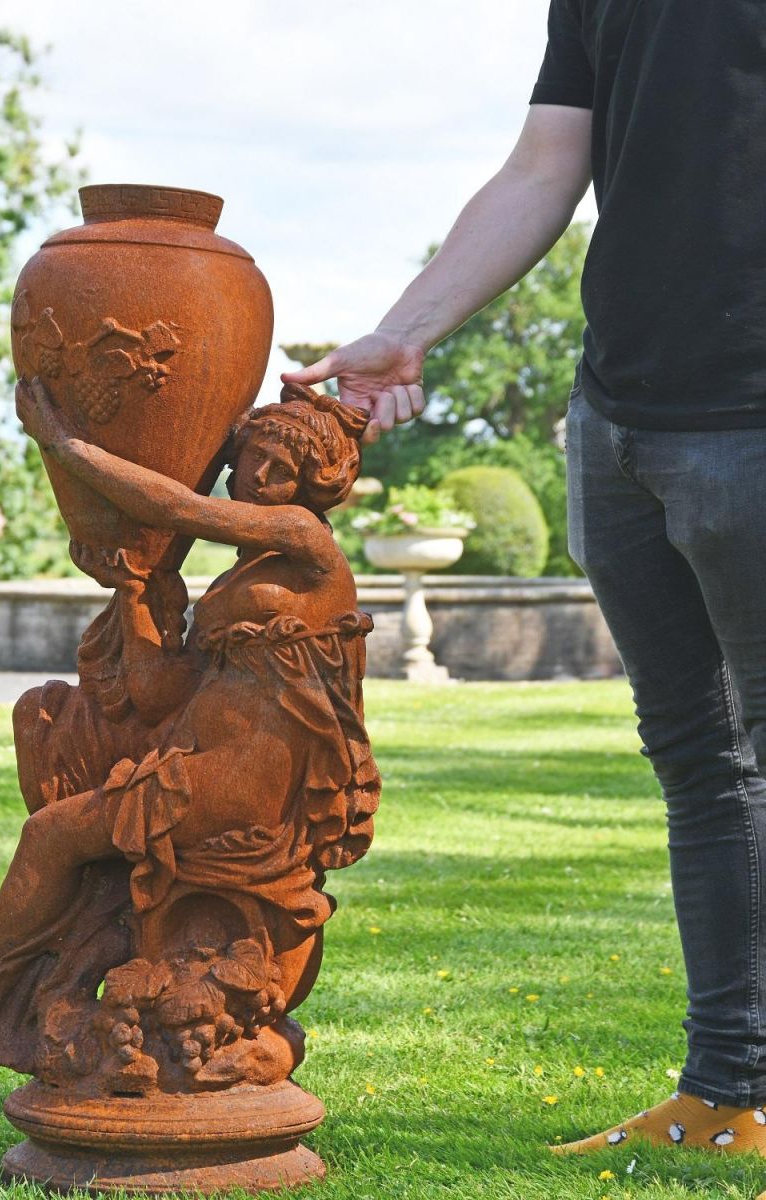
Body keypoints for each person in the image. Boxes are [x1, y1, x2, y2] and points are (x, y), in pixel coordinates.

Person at [282, 0, 766, 1156]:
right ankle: (726, 1096)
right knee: (701, 763)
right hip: (619, 422)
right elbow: (545, 166)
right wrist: (408, 330)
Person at [0, 380, 380, 1080]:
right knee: (59, 814)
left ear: (313, 486)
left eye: (283, 469)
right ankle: (7, 997)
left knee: (51, 835)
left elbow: (177, 506)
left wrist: (65, 445)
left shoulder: (306, 544)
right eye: (252, 458)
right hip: (199, 767)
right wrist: (137, 589)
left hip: (248, 782)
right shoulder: (240, 582)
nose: (259, 478)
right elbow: (159, 691)